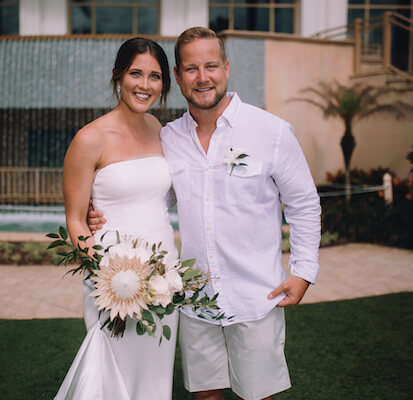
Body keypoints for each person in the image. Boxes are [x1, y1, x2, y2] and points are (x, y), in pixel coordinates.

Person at [88, 27, 322, 400]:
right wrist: (101, 209)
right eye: (191, 68)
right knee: (206, 395)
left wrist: (304, 270)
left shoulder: (271, 131)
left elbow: (304, 203)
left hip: (256, 296)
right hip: (195, 299)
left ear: (226, 68)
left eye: (210, 66)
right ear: (178, 77)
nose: (202, 77)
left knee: (258, 395)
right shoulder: (170, 137)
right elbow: (151, 195)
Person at [54, 37, 178, 400]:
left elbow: (157, 198)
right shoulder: (89, 138)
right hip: (113, 278)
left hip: (164, 273)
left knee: (154, 370)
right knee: (113, 366)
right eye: (135, 73)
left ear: (163, 84)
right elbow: (76, 221)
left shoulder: (159, 129)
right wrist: (107, 276)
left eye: (154, 76)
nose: (145, 85)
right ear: (118, 77)